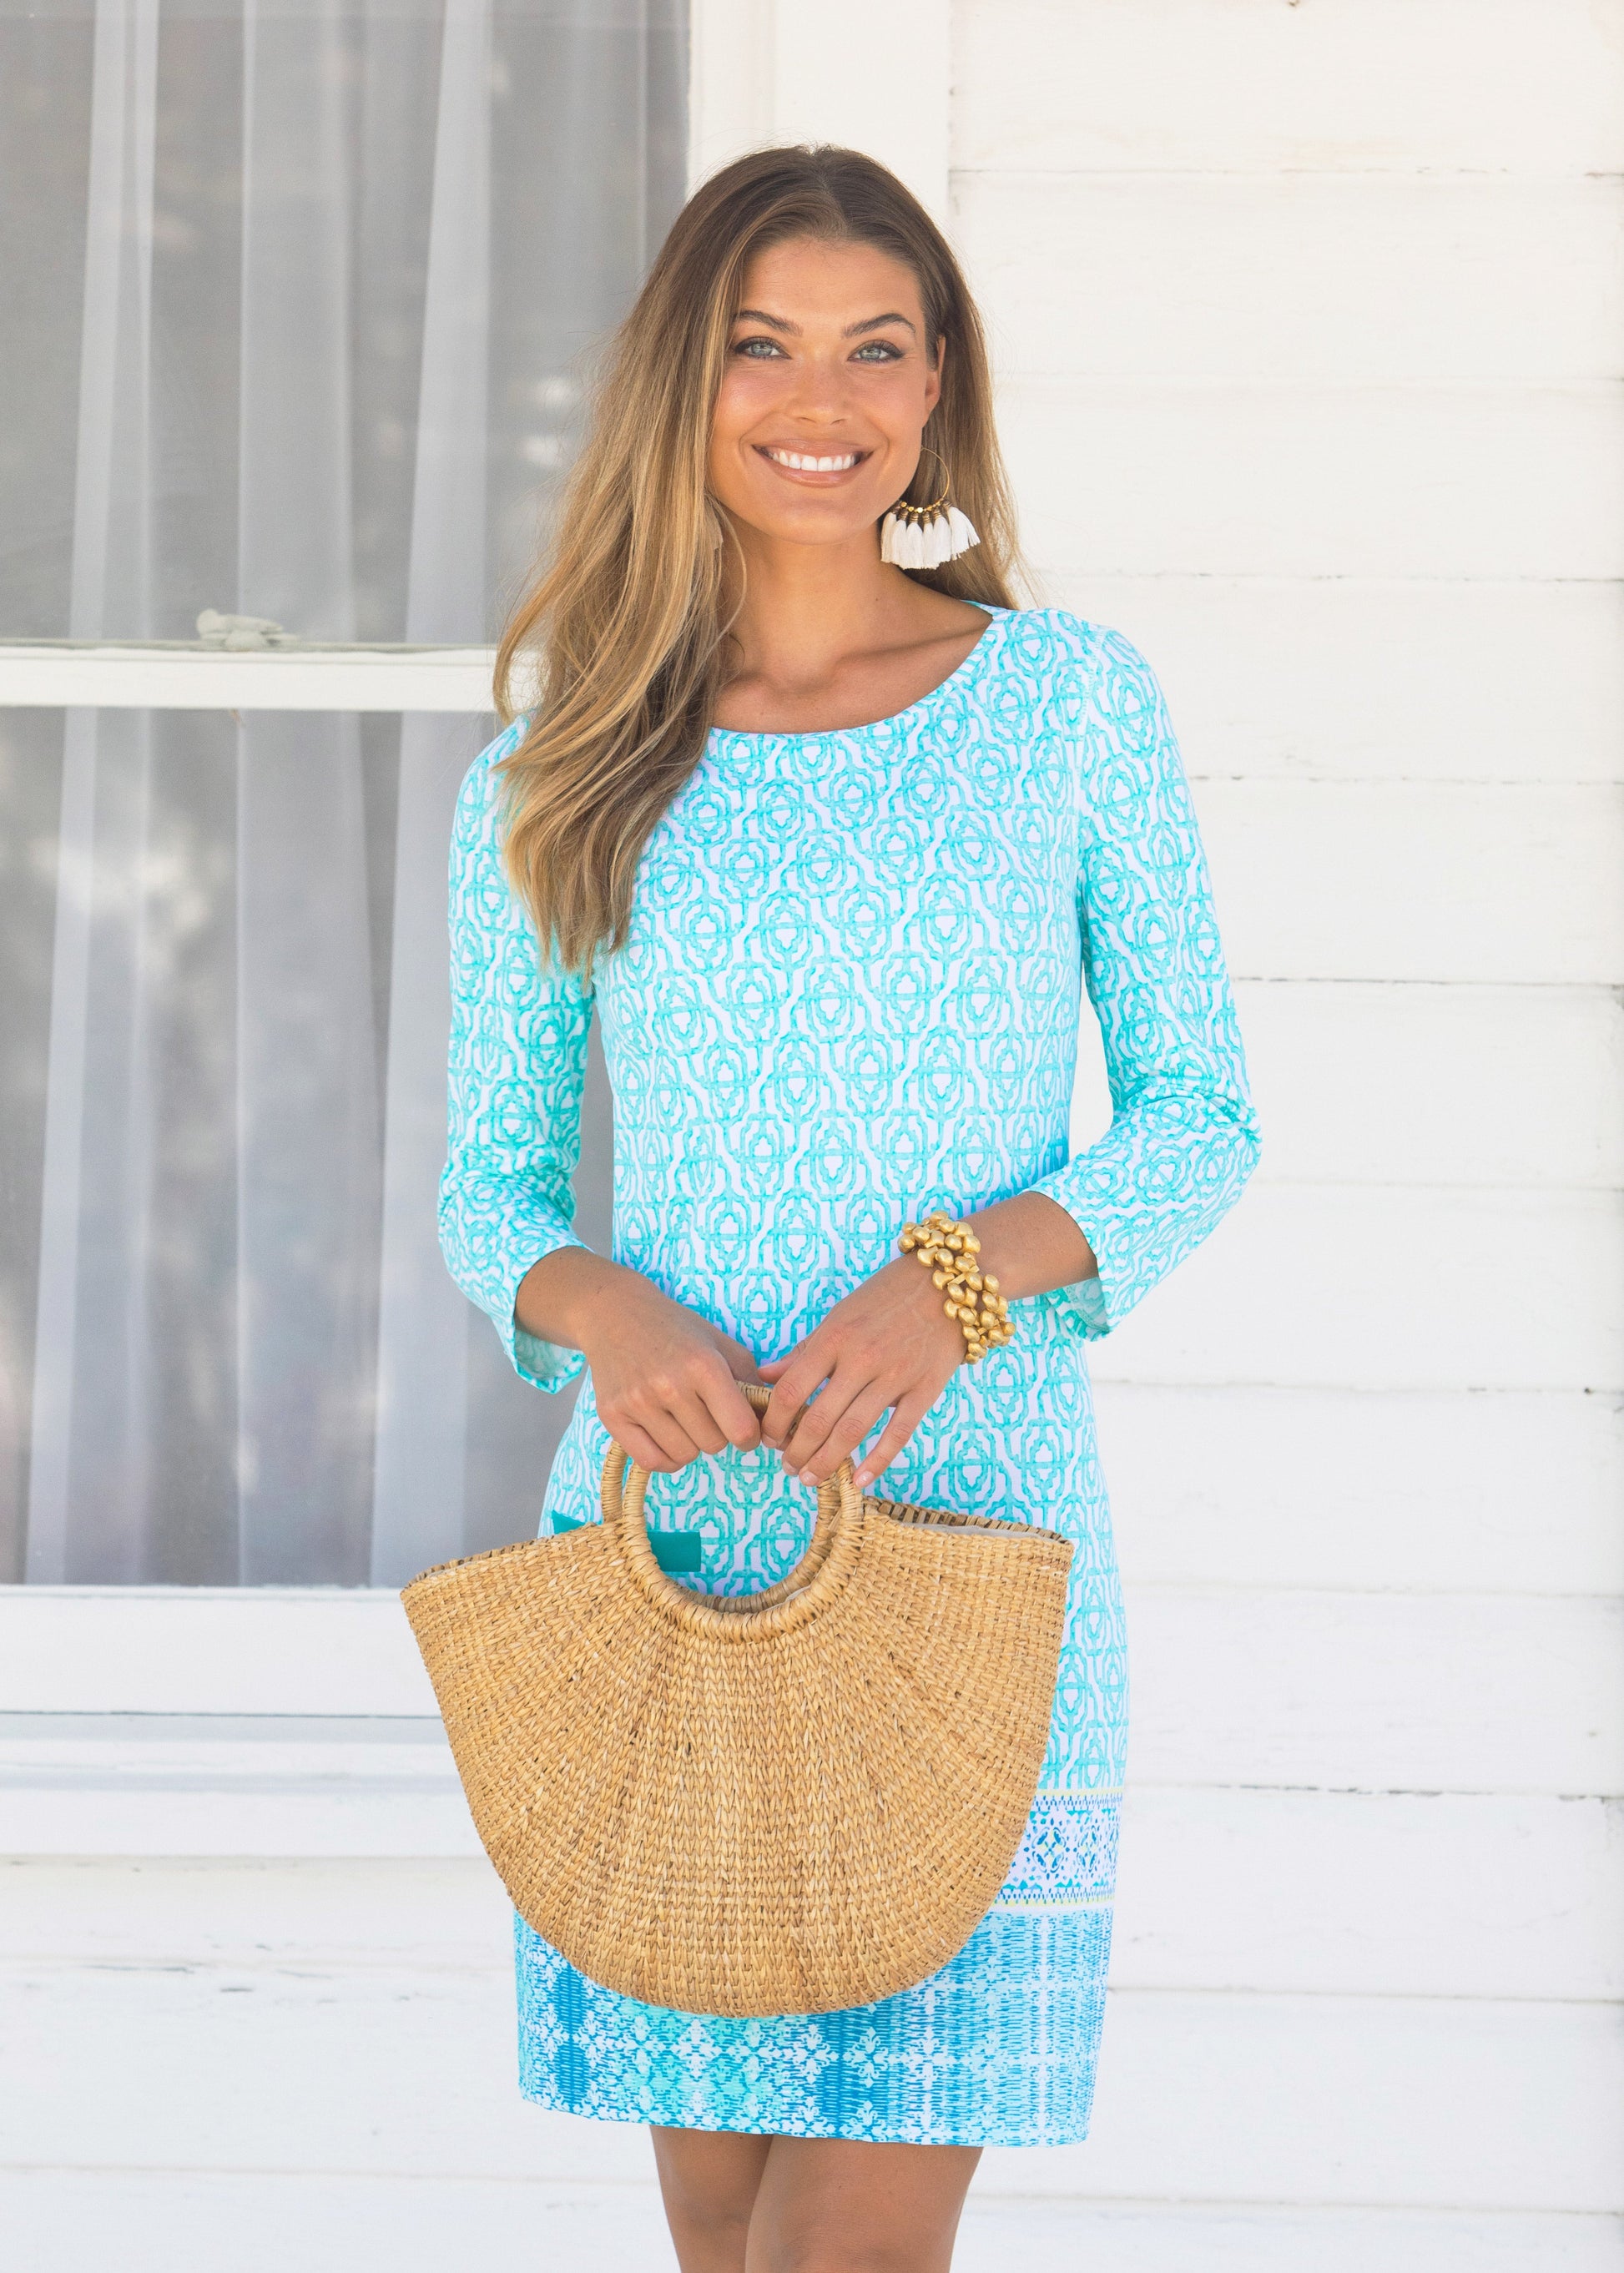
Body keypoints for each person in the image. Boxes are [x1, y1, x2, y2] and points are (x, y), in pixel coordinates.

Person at [439, 144, 1258, 2273]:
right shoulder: (567, 756)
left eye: (876, 347)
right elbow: (491, 1187)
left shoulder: (1067, 705)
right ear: (681, 381)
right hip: (670, 1563)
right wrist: (600, 1307)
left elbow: (1197, 1123)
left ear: (935, 384)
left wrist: (950, 1287)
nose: (824, 399)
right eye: (763, 346)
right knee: (729, 2251)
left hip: (974, 1554)